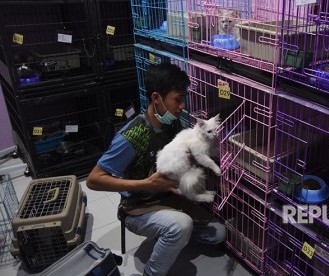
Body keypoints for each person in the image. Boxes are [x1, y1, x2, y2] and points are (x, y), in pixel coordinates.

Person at [87, 62, 226, 276]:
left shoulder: (173, 126)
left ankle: (173, 234)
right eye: (177, 100)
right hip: (137, 206)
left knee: (218, 233)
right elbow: (93, 180)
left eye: (183, 100)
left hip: (169, 198)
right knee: (180, 227)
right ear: (156, 98)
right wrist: (146, 184)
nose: (182, 106)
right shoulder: (132, 135)